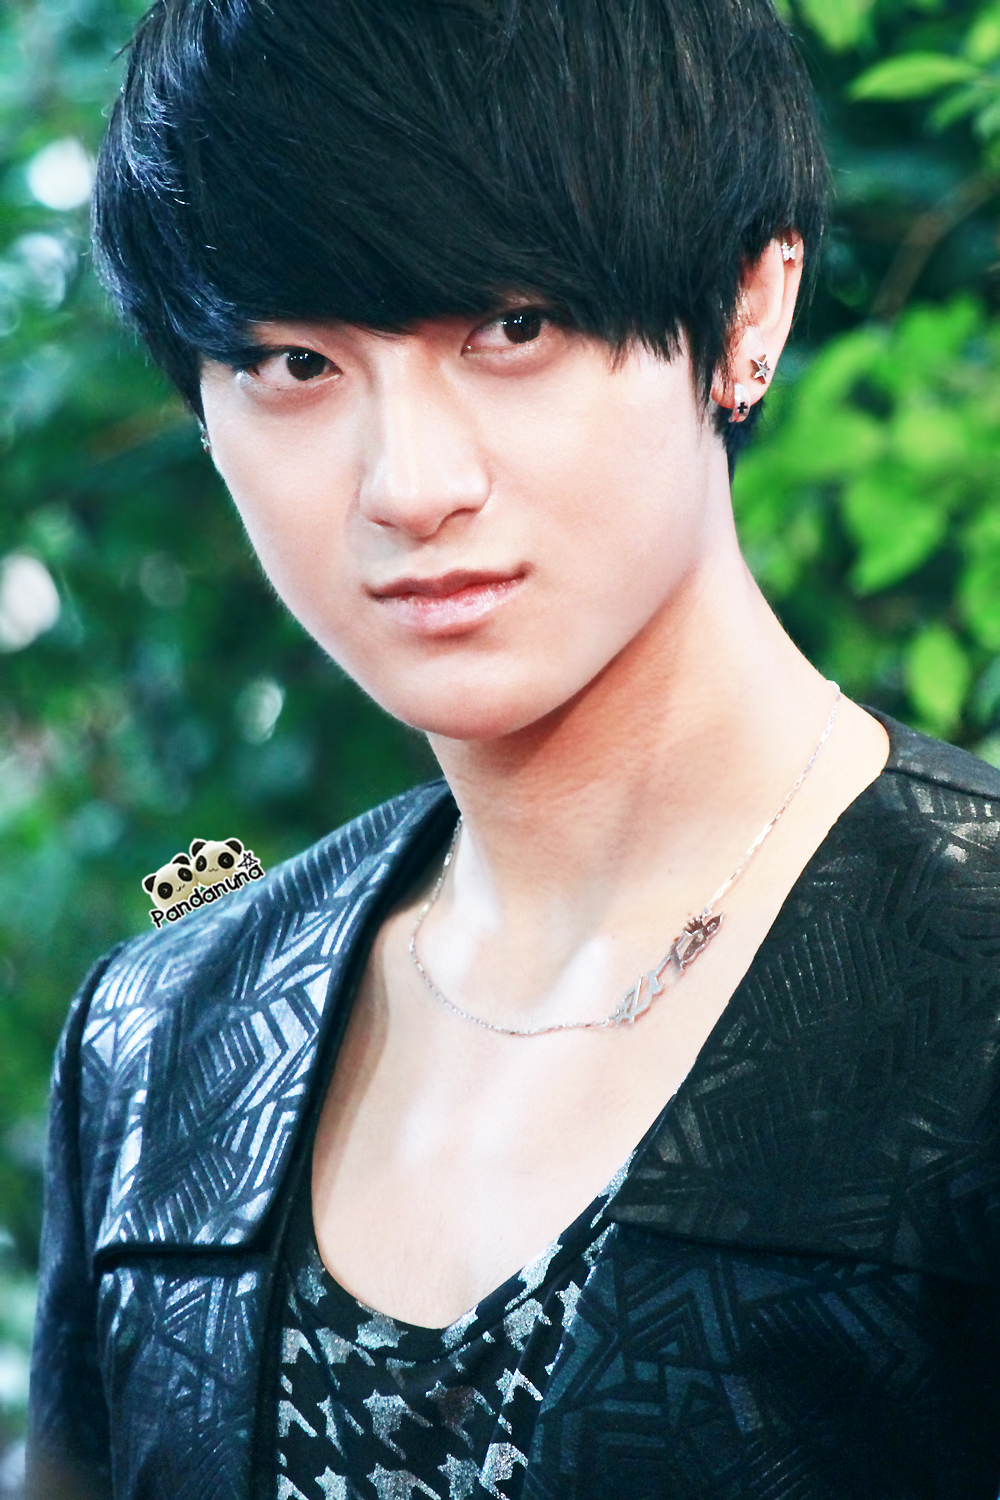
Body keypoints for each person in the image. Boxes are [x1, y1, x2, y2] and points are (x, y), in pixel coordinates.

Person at [26, 0, 1000, 1496]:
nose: (409, 485)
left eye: (513, 328)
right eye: (294, 362)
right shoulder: (160, 1046)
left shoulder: (972, 982)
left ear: (750, 311)